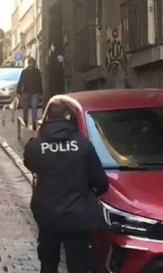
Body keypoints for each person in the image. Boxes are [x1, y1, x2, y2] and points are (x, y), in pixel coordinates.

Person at [23, 102, 109, 273]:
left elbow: (30, 164)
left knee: (48, 263)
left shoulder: (35, 146)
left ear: (47, 118)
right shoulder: (83, 145)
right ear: (68, 117)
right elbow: (100, 182)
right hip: (77, 216)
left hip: (47, 215)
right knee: (78, 264)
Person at [16, 57, 42, 130]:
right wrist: (40, 91)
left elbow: (20, 81)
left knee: (26, 108)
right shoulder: (37, 71)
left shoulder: (24, 72)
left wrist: (18, 91)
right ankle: (34, 125)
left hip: (26, 92)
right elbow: (40, 82)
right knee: (34, 108)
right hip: (35, 92)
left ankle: (25, 123)